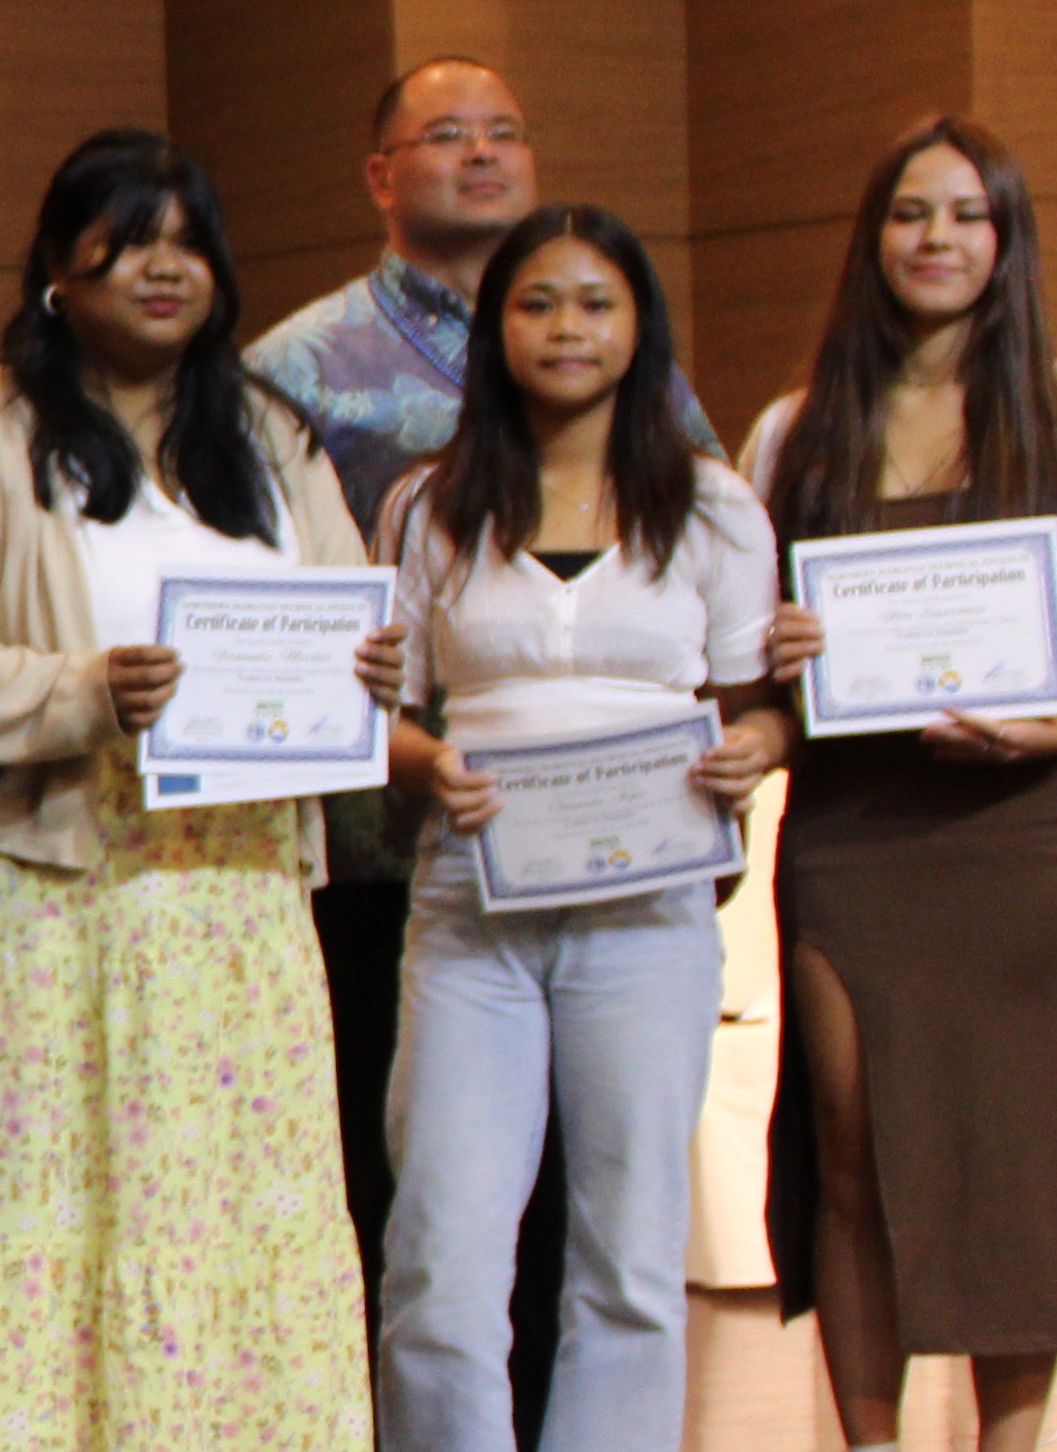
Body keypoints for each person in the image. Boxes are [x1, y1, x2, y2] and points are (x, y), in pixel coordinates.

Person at [0, 127, 374, 1448]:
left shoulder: (272, 438)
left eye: (189, 240)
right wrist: (82, 695)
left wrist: (365, 670)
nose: (164, 265)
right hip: (30, 898)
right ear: (56, 268)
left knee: (225, 1222)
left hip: (233, 901)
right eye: (132, 238)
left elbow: (340, 627)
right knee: (40, 1231)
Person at [235, 61, 708, 1410]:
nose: (483, 154)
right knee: (429, 1225)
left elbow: (720, 648)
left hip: (627, 882)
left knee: (605, 1230)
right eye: (446, 134)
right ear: (380, 173)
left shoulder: (677, 438)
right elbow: (261, 611)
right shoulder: (294, 370)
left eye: (507, 130)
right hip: (406, 867)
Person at [736, 119, 1057, 1452]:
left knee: (1019, 1161)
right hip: (857, 833)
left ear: (1005, 239)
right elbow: (741, 646)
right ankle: (869, 1440)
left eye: (968, 215)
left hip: (1025, 831)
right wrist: (774, 653)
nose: (937, 239)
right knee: (854, 1147)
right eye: (911, 214)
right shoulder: (790, 428)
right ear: (873, 240)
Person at [362, 204, 786, 1452]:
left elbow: (757, 708)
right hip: (468, 918)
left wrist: (760, 746)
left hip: (649, 922)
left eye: (596, 302)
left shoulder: (713, 508)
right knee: (440, 1256)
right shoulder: (429, 507)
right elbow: (372, 716)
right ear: (495, 330)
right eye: (537, 303)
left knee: (631, 1263)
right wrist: (428, 760)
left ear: (640, 325)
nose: (566, 328)